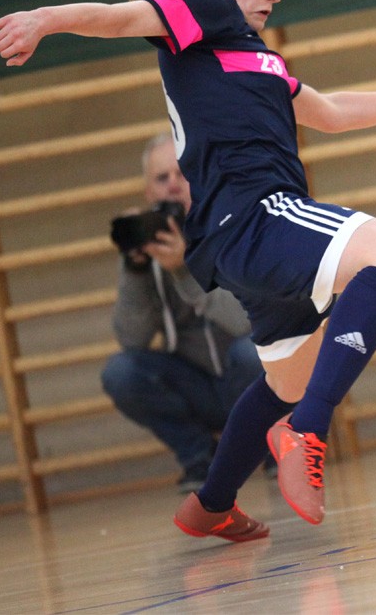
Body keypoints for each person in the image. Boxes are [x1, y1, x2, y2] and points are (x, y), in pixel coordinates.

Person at [0, 0, 376, 541]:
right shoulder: (209, 7)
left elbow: (331, 112)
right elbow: (121, 18)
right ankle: (307, 431)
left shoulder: (250, 54)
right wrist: (44, 19)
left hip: (237, 238)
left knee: (285, 380)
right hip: (259, 213)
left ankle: (212, 503)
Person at [102, 132, 272, 493]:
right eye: (162, 178)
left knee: (252, 351)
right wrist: (134, 268)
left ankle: (273, 445)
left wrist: (184, 270)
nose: (173, 186)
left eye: (182, 174)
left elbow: (246, 322)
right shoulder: (147, 246)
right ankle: (199, 457)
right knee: (121, 372)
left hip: (248, 379)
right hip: (198, 387)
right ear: (148, 192)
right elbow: (132, 340)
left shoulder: (232, 227)